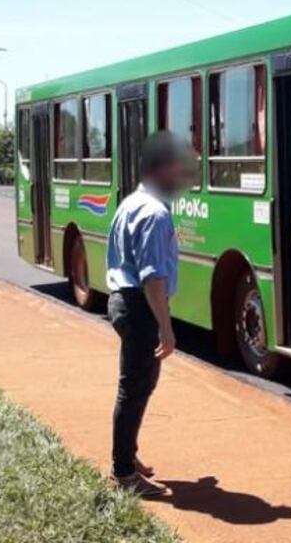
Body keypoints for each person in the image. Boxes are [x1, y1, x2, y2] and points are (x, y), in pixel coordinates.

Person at [105, 130, 193, 496]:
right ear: (165, 168)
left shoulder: (131, 202)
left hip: (124, 301)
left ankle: (128, 456)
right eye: (182, 168)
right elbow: (153, 279)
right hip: (140, 306)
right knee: (135, 388)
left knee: (139, 385)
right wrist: (166, 328)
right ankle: (124, 473)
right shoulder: (155, 214)